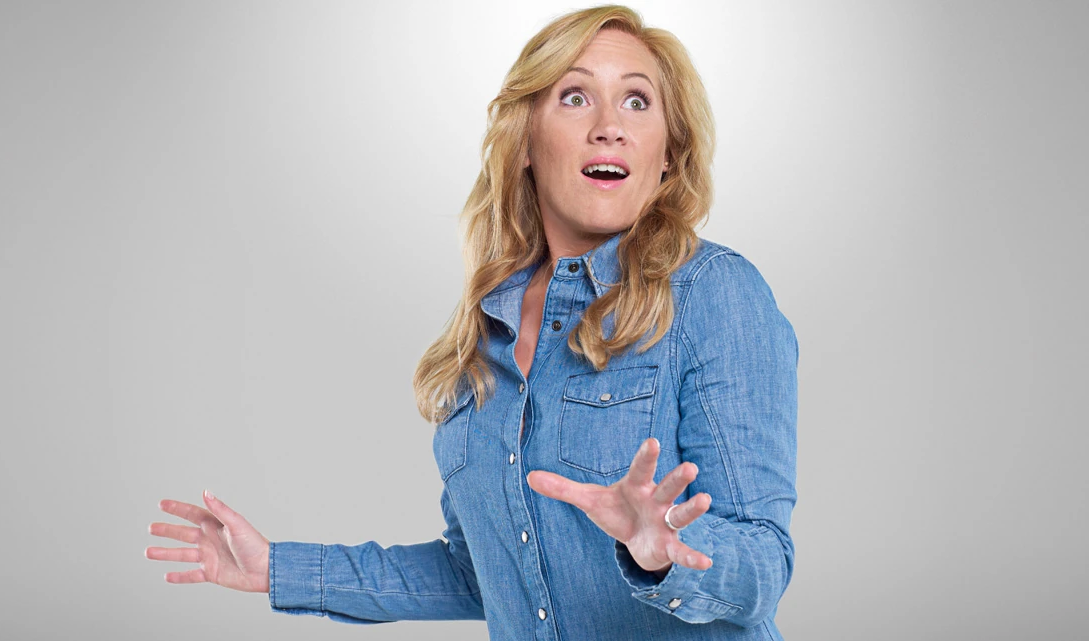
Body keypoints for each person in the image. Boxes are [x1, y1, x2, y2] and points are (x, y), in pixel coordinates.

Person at [146, 5, 799, 640]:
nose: (610, 126)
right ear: (526, 142)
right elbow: (479, 574)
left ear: (667, 153)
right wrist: (276, 569)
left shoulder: (714, 293)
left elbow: (764, 563)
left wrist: (664, 552)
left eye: (637, 101)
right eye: (575, 97)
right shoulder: (484, 334)